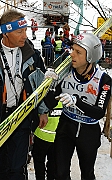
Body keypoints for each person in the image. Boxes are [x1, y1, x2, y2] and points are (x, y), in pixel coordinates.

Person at [0, 9, 48, 180]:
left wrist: (42, 110)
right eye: (19, 31)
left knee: (17, 167)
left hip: (21, 117)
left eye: (25, 30)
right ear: (6, 33)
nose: (25, 35)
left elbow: (40, 85)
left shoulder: (33, 56)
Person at [44, 33, 111, 180]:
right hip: (66, 126)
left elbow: (99, 112)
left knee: (87, 173)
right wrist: (50, 86)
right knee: (60, 173)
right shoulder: (66, 73)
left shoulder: (103, 80)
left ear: (90, 57)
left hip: (88, 130)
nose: (72, 54)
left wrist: (76, 100)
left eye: (78, 52)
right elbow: (51, 104)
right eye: (72, 49)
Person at [32, 101, 62, 180]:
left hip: (42, 135)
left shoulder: (45, 95)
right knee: (52, 165)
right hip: (55, 137)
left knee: (40, 164)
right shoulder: (66, 95)